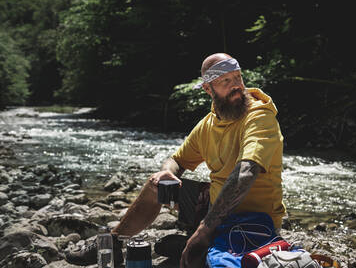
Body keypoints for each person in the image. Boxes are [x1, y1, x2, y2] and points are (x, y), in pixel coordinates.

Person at [66, 53, 286, 267]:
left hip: (254, 221)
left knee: (198, 257)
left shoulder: (260, 116)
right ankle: (112, 243)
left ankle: (200, 241)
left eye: (238, 77)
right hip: (213, 207)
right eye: (225, 81)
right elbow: (177, 160)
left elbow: (245, 173)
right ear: (208, 89)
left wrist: (204, 229)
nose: (236, 85)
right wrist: (167, 172)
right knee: (156, 184)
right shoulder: (209, 123)